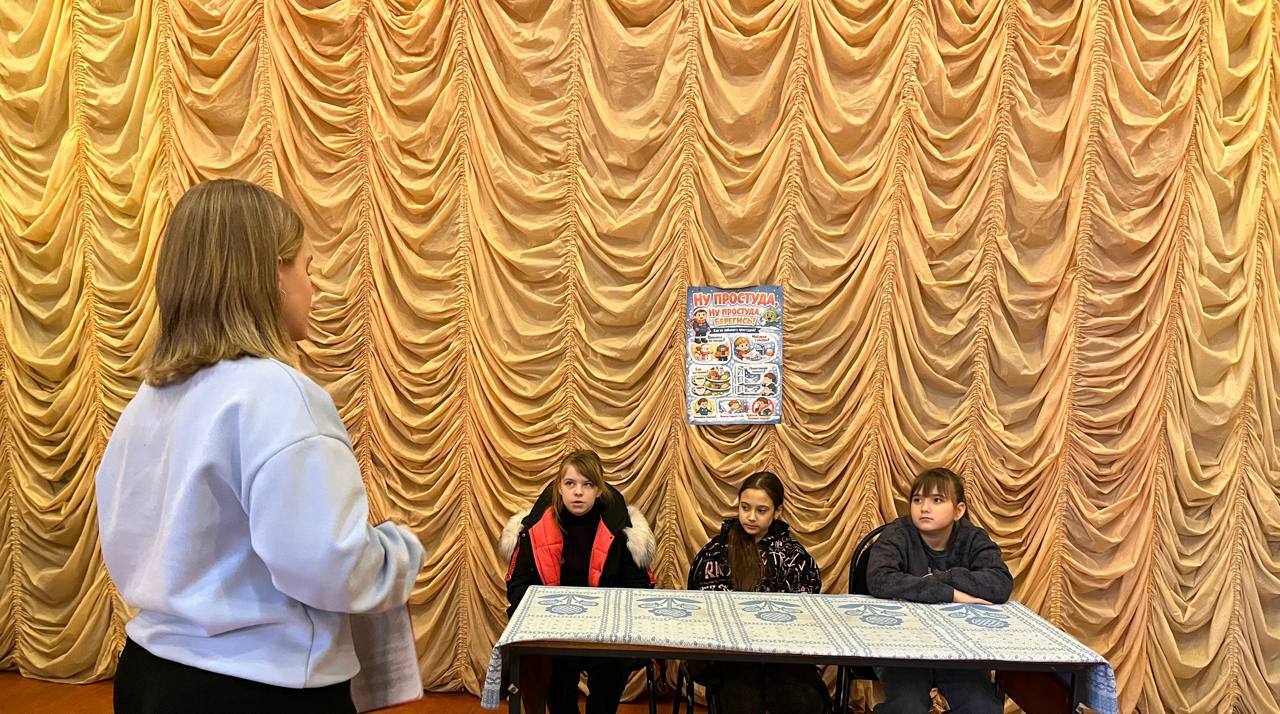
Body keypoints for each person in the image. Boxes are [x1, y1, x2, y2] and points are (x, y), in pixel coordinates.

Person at [96, 179, 425, 714]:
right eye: (307, 268)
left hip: (148, 673)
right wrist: (397, 553)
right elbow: (329, 567)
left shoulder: (147, 402)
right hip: (259, 686)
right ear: (274, 275)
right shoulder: (277, 394)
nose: (314, 288)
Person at [501, 450, 655, 714]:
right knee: (553, 675)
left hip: (606, 633)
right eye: (570, 483)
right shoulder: (535, 528)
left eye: (588, 484)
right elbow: (517, 585)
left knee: (610, 671)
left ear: (599, 489)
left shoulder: (621, 528)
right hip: (554, 631)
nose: (578, 492)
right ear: (559, 488)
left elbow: (638, 587)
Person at [867, 467, 1013, 714]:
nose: (924, 508)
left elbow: (1000, 583)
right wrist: (952, 595)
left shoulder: (973, 538)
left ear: (959, 510)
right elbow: (880, 580)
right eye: (917, 500)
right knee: (907, 707)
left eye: (937, 500)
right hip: (903, 646)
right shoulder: (897, 533)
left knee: (982, 708)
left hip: (961, 648)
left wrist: (941, 577)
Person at [687, 472, 828, 713]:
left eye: (761, 510)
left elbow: (806, 611)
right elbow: (702, 609)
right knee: (744, 703)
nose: (751, 517)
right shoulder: (716, 552)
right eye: (745, 507)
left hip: (782, 653)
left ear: (777, 511)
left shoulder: (794, 556)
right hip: (731, 654)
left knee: (803, 701)